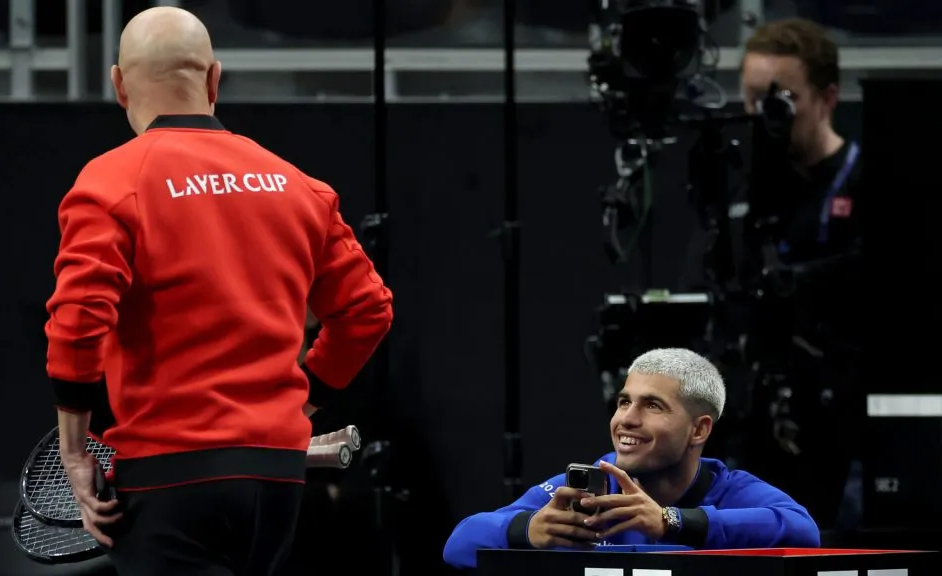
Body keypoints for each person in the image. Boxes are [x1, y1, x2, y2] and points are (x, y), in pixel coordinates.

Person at [43, 7, 393, 576]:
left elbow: (79, 320)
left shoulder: (110, 183)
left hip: (169, 476)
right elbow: (367, 312)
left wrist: (75, 450)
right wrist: (298, 404)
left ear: (119, 85)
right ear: (213, 79)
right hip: (277, 480)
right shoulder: (298, 186)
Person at [442, 348, 819, 569]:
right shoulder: (584, 490)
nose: (627, 419)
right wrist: (528, 531)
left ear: (699, 430)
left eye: (652, 405)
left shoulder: (729, 489)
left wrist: (668, 522)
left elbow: (803, 531)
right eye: (624, 401)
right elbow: (459, 543)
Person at [738, 18, 863, 529]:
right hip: (755, 422)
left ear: (827, 97)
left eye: (781, 100)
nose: (762, 116)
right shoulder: (743, 191)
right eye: (750, 100)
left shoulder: (867, 182)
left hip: (845, 425)